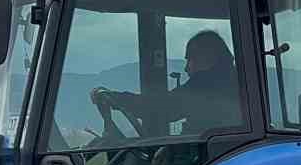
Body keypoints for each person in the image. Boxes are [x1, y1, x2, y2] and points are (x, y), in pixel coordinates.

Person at [90, 30, 241, 139]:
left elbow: (162, 107)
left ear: (207, 58)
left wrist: (116, 98)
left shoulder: (206, 85)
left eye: (190, 60)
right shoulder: (234, 81)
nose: (186, 68)